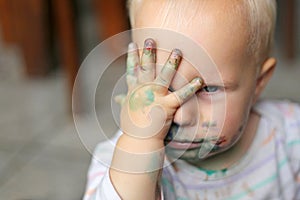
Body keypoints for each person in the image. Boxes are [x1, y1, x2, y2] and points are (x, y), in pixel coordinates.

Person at [83, 0, 300, 199]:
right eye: (160, 87)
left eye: (207, 89)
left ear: (258, 82)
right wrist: (141, 142)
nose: (181, 115)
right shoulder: (117, 163)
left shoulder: (290, 134)